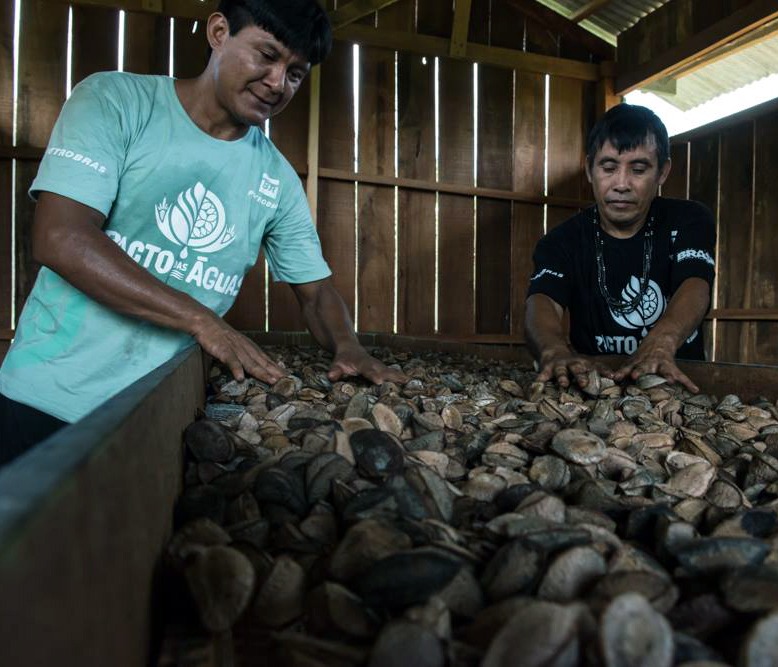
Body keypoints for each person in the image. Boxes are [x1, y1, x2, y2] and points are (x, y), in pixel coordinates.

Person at [0, 0, 407, 466]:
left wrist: (347, 345)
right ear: (218, 32)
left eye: (295, 73)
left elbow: (315, 292)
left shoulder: (276, 179)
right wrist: (201, 320)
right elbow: (61, 237)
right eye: (267, 55)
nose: (277, 83)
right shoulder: (116, 102)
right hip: (47, 400)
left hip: (162, 414)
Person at [525, 103, 715, 394]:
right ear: (590, 169)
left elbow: (695, 283)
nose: (622, 184)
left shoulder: (689, 220)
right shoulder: (561, 241)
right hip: (595, 384)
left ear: (662, 172)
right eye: (609, 167)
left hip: (676, 382)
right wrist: (552, 350)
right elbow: (543, 301)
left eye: (639, 169)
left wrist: (662, 343)